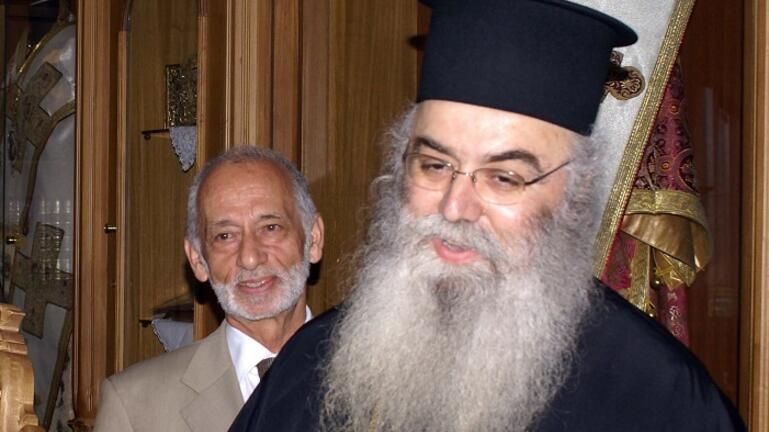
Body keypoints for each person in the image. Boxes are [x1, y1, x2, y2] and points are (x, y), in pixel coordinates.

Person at [230, 0, 745, 431]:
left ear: (577, 194)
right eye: (434, 165)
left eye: (504, 178)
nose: (455, 208)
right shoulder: (312, 365)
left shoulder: (658, 397)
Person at [93, 146, 324, 431]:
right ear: (198, 260)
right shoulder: (135, 406)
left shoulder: (372, 380)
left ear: (313, 240)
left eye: (270, 228)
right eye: (225, 236)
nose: (250, 258)